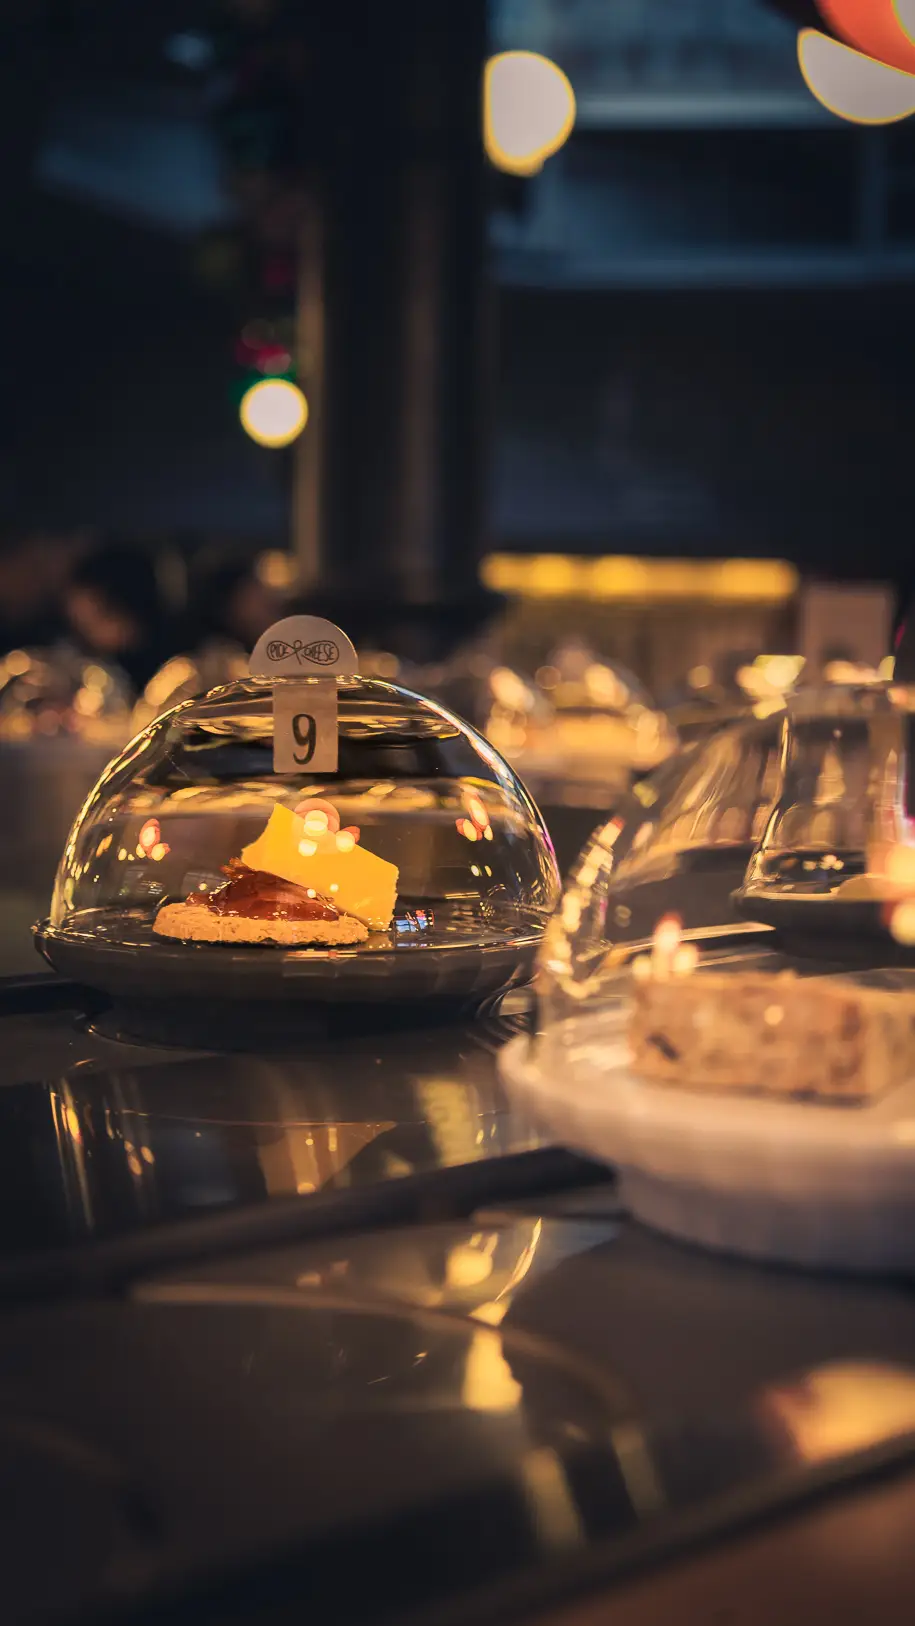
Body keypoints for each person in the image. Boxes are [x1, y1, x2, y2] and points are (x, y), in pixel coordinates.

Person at [62, 543, 167, 691]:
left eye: (97, 620)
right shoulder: (78, 659)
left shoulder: (165, 673)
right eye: (79, 626)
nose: (87, 638)